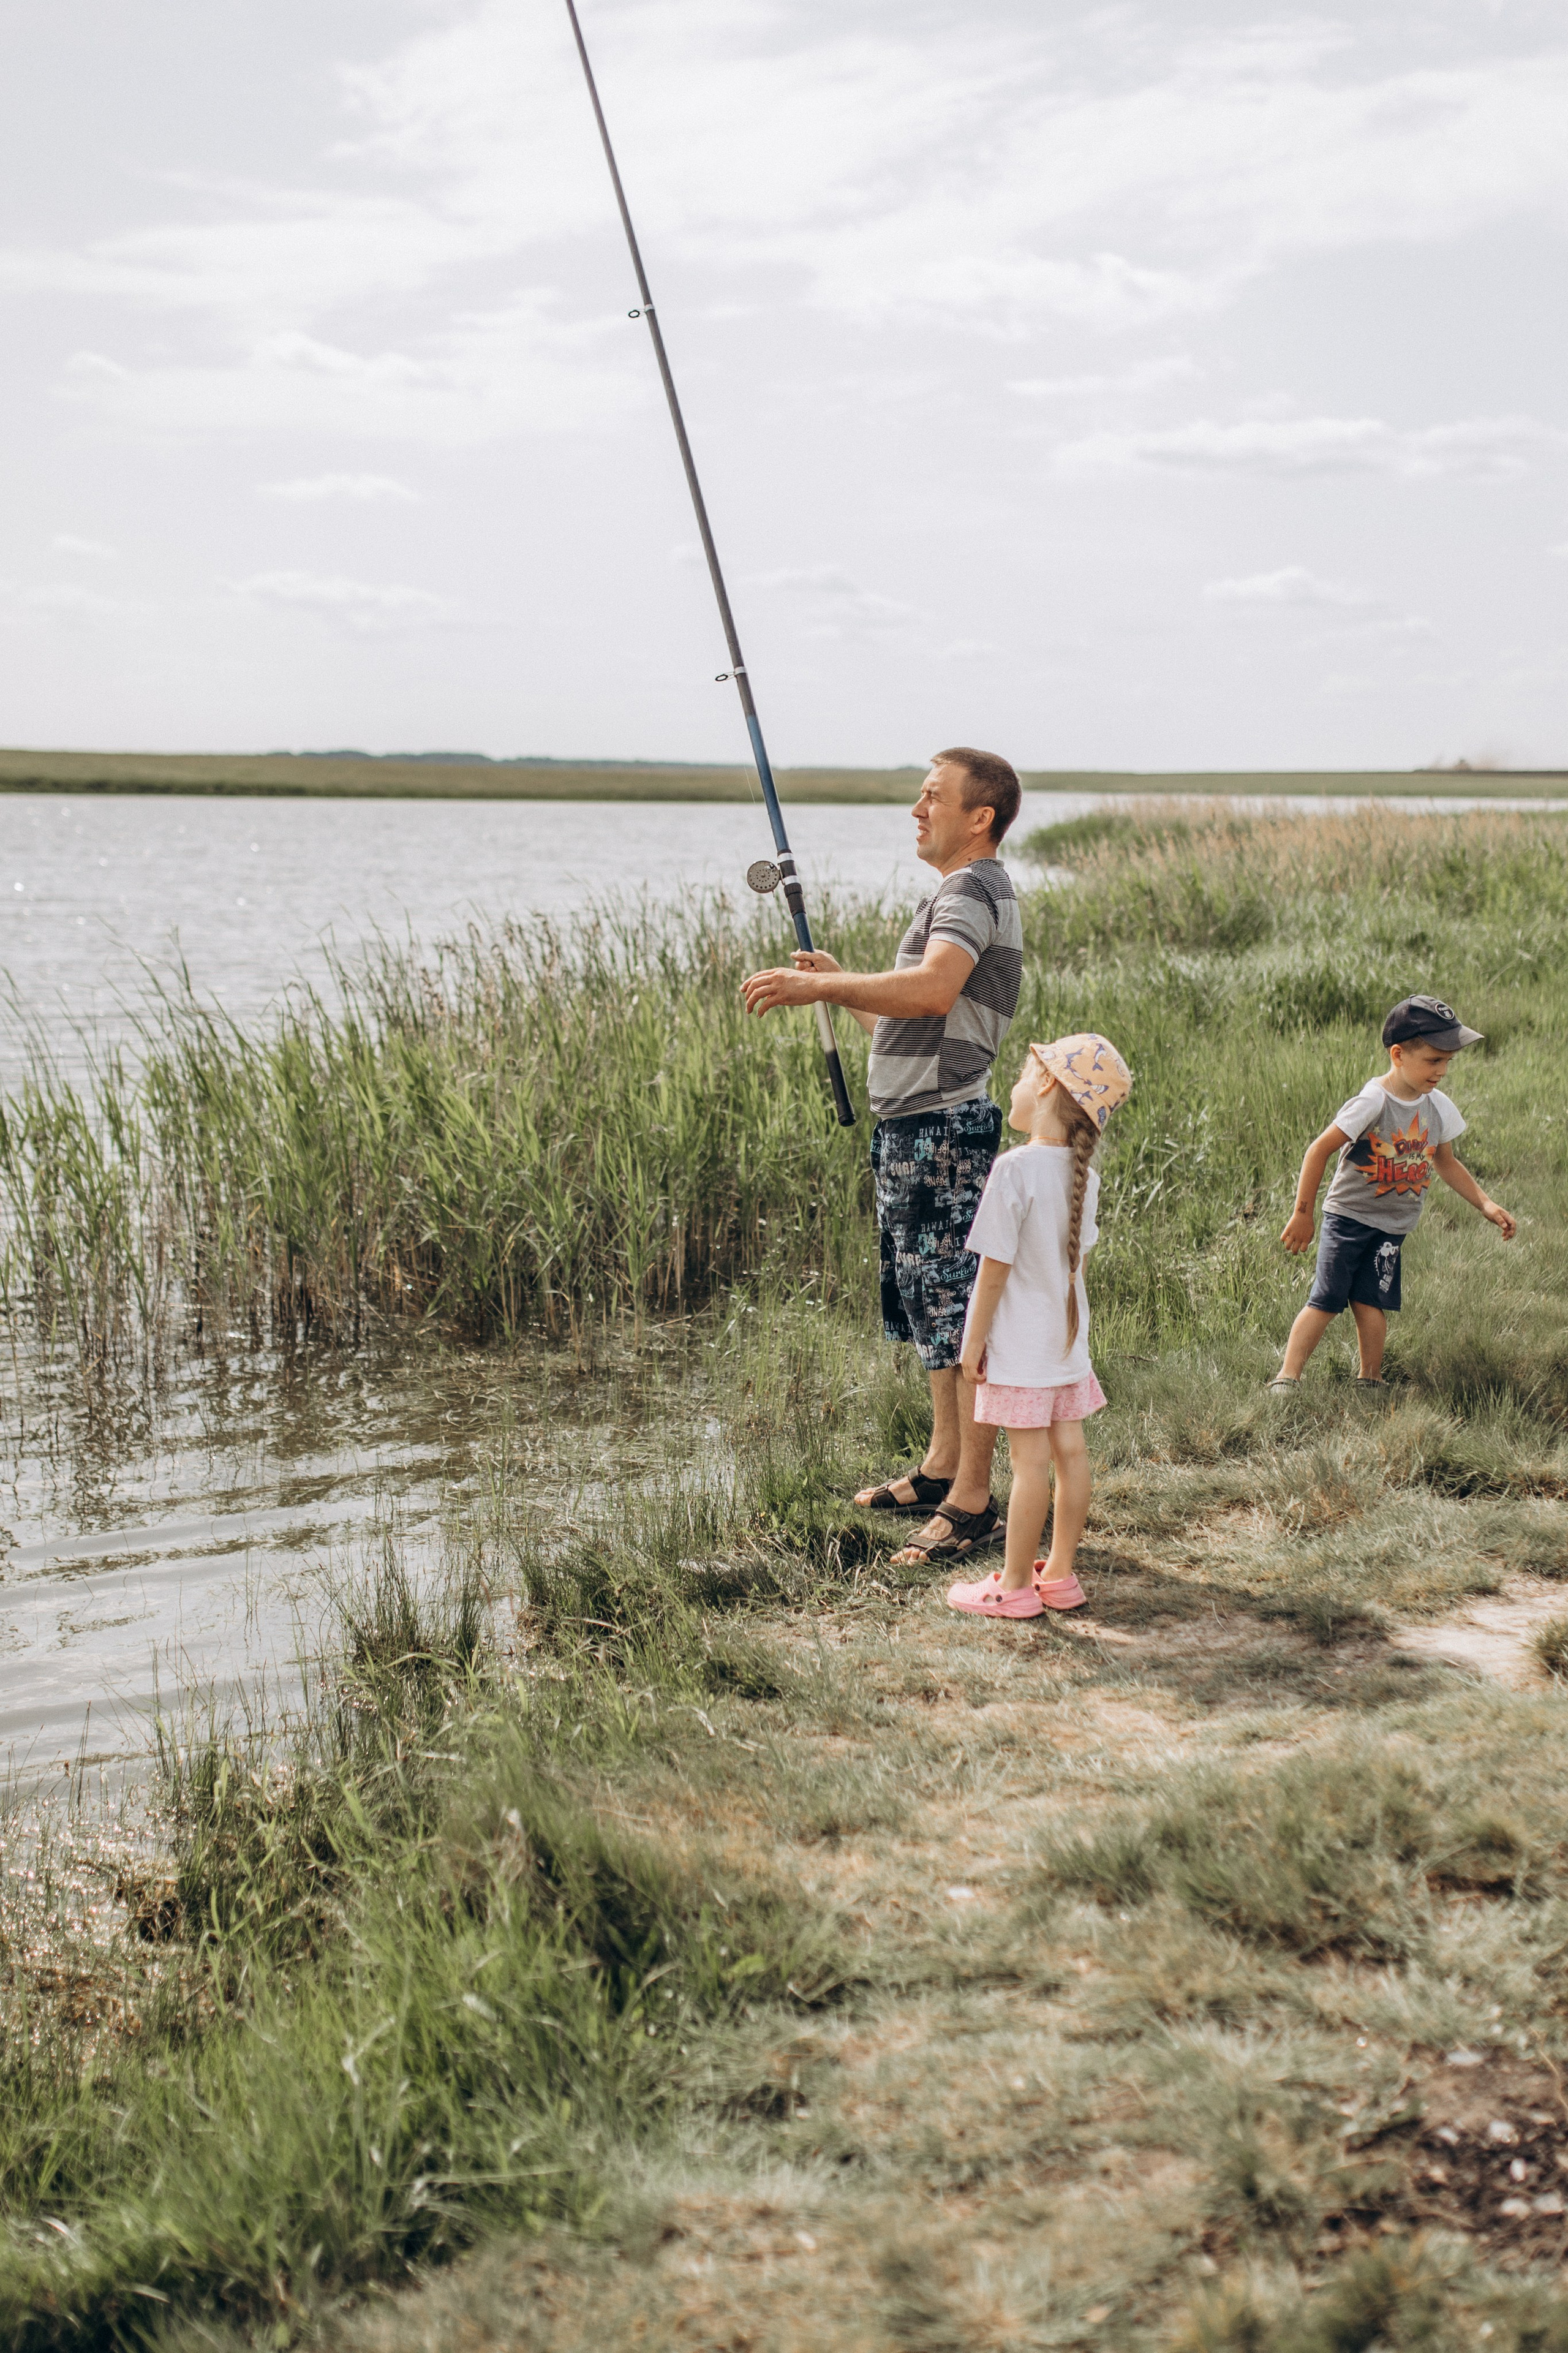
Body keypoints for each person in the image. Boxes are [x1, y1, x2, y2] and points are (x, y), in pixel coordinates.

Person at [741, 748, 1023, 1565]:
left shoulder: (972, 887)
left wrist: (824, 990)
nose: (916, 808)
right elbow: (918, 1026)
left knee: (959, 1316)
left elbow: (934, 989)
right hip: (916, 1130)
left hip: (941, 1136)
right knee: (932, 1314)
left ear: (981, 816)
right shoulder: (959, 890)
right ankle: (941, 1469)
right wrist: (846, 984)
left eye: (933, 796)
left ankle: (974, 1504)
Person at [946, 1034, 1131, 1620]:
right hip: (1066, 1347)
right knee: (1070, 1456)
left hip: (1023, 1352)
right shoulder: (1083, 1178)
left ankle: (1017, 1585)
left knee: (1028, 1467)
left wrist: (973, 1342)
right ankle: (1061, 1574)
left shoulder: (1015, 1169)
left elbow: (994, 1270)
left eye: (1025, 1075)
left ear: (1048, 1084)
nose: (1016, 1086)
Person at [1270, 993, 1516, 1391]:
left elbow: (1446, 1161)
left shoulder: (1437, 1107)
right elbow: (1318, 1150)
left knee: (1371, 1301)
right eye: (1434, 1060)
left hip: (1391, 1227)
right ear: (1398, 1054)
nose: (1443, 1071)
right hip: (1348, 1218)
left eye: (1448, 1061)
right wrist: (1303, 1213)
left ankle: (1370, 1381)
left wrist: (1485, 1203)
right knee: (1329, 1297)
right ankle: (1287, 1377)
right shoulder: (1373, 1101)